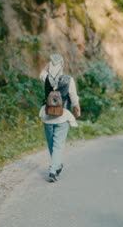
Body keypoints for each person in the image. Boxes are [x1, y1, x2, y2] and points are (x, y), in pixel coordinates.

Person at [39, 54, 81, 182]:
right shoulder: (68, 79)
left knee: (51, 143)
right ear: (62, 66)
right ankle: (53, 169)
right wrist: (77, 109)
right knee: (58, 144)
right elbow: (73, 97)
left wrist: (48, 64)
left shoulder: (45, 78)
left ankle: (55, 166)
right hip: (63, 116)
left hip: (47, 115)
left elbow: (42, 72)